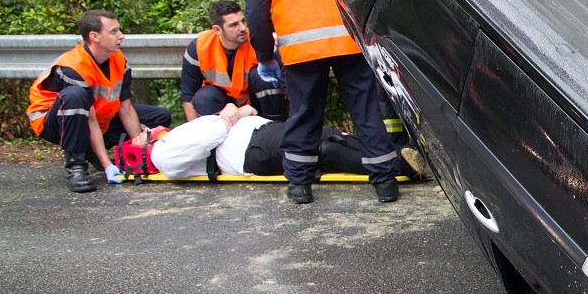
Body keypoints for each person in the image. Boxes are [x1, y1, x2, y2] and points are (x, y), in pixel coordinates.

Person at [244, 0, 399, 205]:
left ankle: (300, 185)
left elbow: (256, 13)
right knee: (366, 111)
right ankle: (385, 183)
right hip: (348, 39)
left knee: (303, 113)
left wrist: (263, 57)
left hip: (301, 47)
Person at [26, 9, 174, 193]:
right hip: (55, 123)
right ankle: (76, 168)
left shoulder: (118, 60)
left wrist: (140, 148)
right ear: (94, 36)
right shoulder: (73, 66)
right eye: (113, 32)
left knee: (159, 117)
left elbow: (125, 109)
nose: (121, 36)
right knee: (75, 95)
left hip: (98, 116)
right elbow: (90, 119)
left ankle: (94, 151)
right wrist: (107, 165)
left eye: (119, 30)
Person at [148, 102, 400, 180]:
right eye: (140, 135)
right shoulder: (160, 153)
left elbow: (247, 112)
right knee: (322, 150)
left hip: (258, 132)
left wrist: (235, 113)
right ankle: (399, 164)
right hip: (249, 148)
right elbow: (211, 136)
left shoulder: (173, 137)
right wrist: (228, 118)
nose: (142, 129)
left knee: (325, 135)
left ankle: (395, 155)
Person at [180, 0, 284, 122]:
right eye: (234, 24)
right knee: (204, 97)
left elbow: (287, 81)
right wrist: (196, 137)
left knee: (262, 76)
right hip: (225, 110)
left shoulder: (259, 42)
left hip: (257, 106)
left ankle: (275, 128)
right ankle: (219, 136)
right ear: (217, 30)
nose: (243, 28)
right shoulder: (199, 48)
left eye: (243, 21)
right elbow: (187, 98)